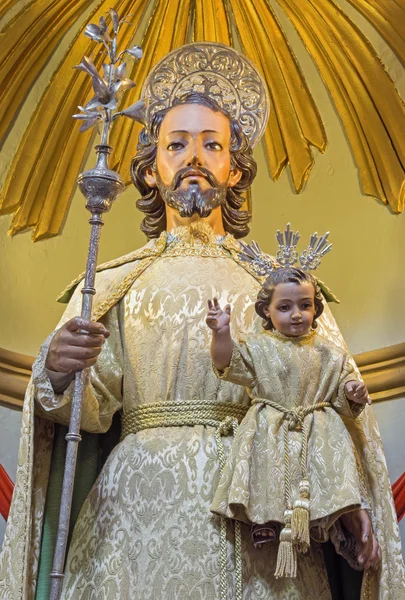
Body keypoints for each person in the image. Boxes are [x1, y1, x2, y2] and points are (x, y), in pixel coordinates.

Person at [0, 42, 403, 600]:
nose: (195, 156)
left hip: (259, 508)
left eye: (212, 144)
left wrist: (347, 500)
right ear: (150, 171)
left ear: (234, 168)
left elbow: (326, 400)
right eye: (177, 144)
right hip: (136, 520)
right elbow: (85, 413)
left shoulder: (279, 287)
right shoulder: (115, 284)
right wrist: (58, 372)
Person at [206, 266, 380, 579]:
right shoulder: (257, 346)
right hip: (270, 427)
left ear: (316, 307)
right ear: (266, 311)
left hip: (318, 431)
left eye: (305, 305)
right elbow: (227, 363)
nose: (296, 314)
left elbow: (345, 392)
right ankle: (265, 524)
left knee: (324, 478)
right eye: (284, 307)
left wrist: (353, 391)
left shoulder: (331, 352)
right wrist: (221, 333)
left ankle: (321, 522)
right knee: (267, 471)